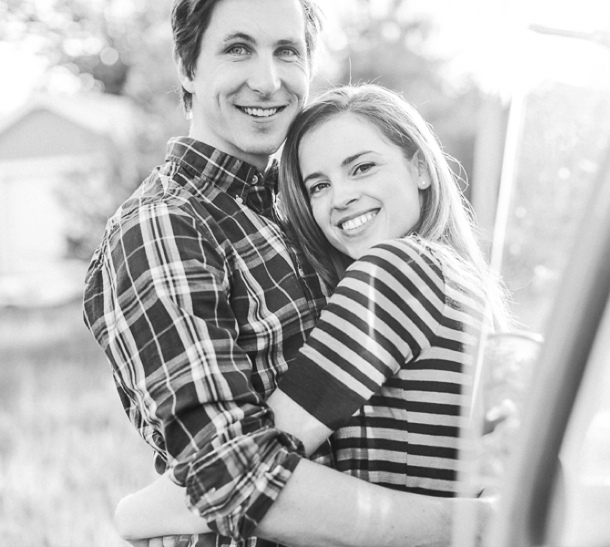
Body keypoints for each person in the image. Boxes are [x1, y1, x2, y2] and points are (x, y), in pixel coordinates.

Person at [82, 0, 491, 545]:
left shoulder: (302, 218)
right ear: (186, 66)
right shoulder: (164, 224)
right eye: (237, 49)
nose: (268, 80)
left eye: (287, 51)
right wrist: (479, 525)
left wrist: (139, 511)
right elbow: (232, 479)